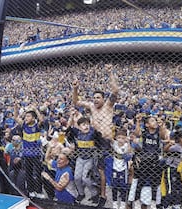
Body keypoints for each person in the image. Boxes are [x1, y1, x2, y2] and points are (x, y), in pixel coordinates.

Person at [72, 64, 119, 207]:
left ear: (104, 99)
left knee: (101, 171)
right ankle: (97, 193)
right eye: (94, 97)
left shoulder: (108, 106)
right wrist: (75, 88)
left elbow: (115, 90)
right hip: (94, 140)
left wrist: (110, 72)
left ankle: (103, 196)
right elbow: (76, 102)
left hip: (105, 141)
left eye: (98, 97)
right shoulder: (92, 107)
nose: (95, 100)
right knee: (93, 170)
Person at [130, 114, 169, 209]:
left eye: (155, 120)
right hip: (144, 160)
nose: (155, 122)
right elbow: (137, 133)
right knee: (141, 182)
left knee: (155, 183)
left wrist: (162, 124)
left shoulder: (158, 132)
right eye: (152, 121)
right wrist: (138, 122)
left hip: (155, 161)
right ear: (147, 125)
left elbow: (164, 136)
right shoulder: (144, 132)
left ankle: (154, 203)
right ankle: (138, 201)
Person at [13, 103, 45, 198]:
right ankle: (31, 191)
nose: (26, 118)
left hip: (36, 154)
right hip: (26, 154)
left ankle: (39, 192)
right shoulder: (24, 125)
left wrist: (35, 109)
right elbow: (16, 117)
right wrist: (15, 108)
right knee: (28, 173)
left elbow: (41, 119)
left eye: (28, 116)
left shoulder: (37, 126)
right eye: (25, 116)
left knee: (38, 173)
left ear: (33, 118)